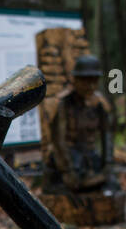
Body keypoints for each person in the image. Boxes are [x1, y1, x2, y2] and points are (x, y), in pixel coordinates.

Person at [44, 55, 118, 193]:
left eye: (94, 81)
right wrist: (67, 169)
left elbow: (107, 135)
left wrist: (108, 163)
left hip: (90, 156)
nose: (90, 86)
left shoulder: (100, 104)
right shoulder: (63, 104)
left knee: (111, 187)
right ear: (75, 80)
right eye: (85, 81)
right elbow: (59, 140)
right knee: (66, 186)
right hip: (68, 158)